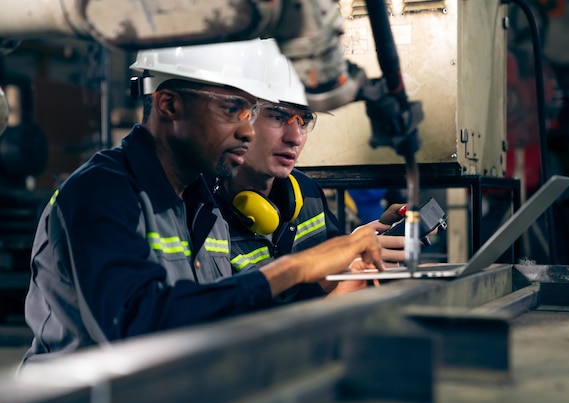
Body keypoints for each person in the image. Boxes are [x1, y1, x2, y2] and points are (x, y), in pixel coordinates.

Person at [20, 39, 383, 366]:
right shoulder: (102, 192)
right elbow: (135, 328)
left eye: (253, 112)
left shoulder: (201, 200)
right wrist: (293, 268)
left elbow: (215, 312)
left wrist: (324, 290)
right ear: (169, 105)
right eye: (232, 109)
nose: (248, 131)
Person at [215, 38, 405, 301]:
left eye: (303, 120)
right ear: (240, 116)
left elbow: (335, 258)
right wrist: (327, 292)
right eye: (279, 116)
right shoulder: (204, 211)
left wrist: (364, 240)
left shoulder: (306, 192)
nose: (295, 137)